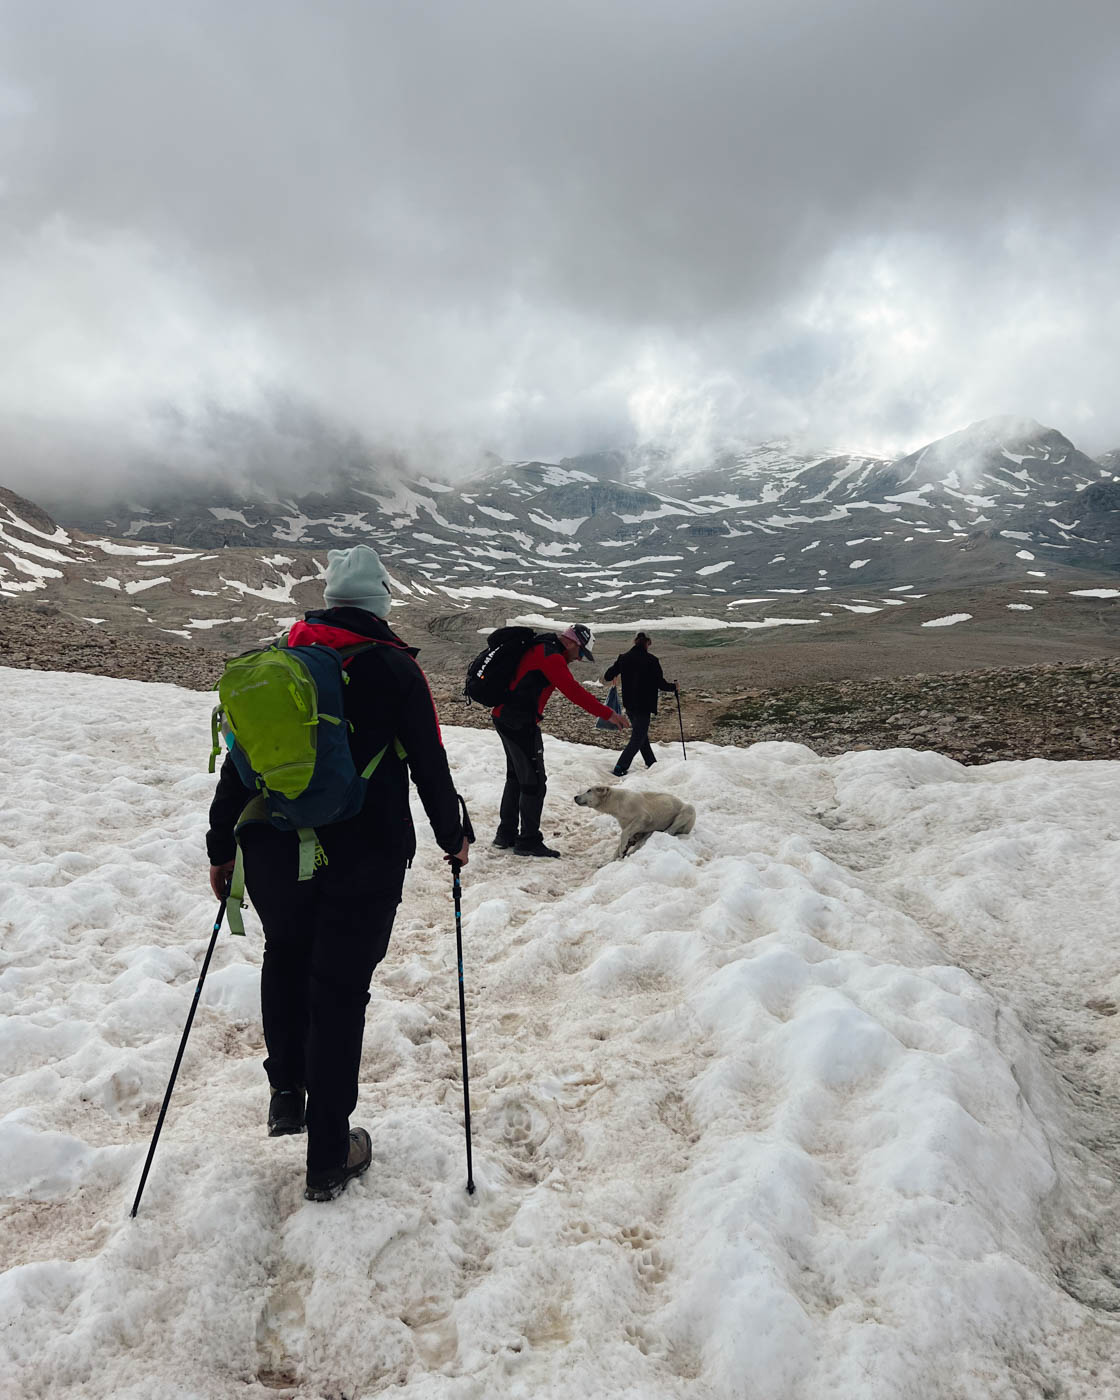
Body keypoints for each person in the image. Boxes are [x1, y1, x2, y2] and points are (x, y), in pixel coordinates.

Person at [206, 545, 469, 1203]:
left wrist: (220, 848)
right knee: (339, 989)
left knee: (286, 957)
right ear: (379, 603)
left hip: (273, 848)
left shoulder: (278, 661)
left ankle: (286, 1096)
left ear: (330, 597)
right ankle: (329, 1152)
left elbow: (239, 763)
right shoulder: (396, 669)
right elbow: (429, 761)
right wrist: (452, 836)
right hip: (367, 853)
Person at [491, 622, 627, 858]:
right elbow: (573, 691)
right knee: (534, 783)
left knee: (516, 777)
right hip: (520, 723)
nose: (580, 658)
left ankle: (506, 834)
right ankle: (528, 841)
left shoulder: (541, 647)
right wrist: (609, 714)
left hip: (505, 717)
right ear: (573, 642)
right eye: (581, 652)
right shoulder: (551, 656)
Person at [603, 631, 679, 777]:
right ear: (648, 643)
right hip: (645, 705)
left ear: (635, 641)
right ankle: (621, 766)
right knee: (638, 736)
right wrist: (674, 687)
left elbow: (608, 676)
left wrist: (619, 670)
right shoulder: (652, 660)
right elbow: (660, 684)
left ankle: (651, 763)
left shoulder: (623, 658)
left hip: (629, 704)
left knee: (640, 734)